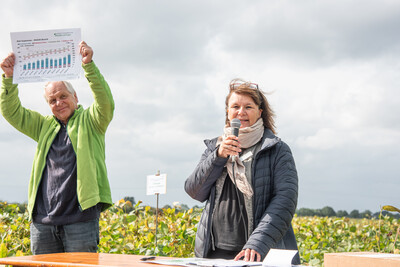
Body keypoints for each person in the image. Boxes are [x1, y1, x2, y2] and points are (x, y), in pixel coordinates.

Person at [0, 41, 114, 254]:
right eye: (52, 100)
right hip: (43, 223)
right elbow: (11, 112)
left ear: (75, 97)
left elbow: (105, 102)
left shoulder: (92, 122)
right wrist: (8, 78)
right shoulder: (43, 125)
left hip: (81, 220)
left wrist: (89, 66)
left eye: (63, 96)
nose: (58, 102)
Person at [184, 79, 301, 264]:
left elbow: (285, 201)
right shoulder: (215, 148)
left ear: (259, 112)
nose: (241, 112)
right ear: (228, 113)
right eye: (235, 106)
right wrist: (218, 156)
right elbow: (194, 191)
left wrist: (256, 244)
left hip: (258, 252)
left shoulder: (277, 149)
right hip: (215, 253)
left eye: (248, 107)